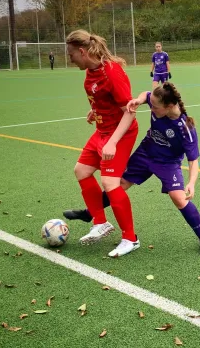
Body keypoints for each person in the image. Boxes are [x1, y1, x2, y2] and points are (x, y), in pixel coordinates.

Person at [64, 82, 200, 255]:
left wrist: (192, 183)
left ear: (170, 106)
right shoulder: (157, 101)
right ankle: (91, 212)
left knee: (178, 198)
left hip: (168, 163)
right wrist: (138, 100)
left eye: (156, 107)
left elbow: (193, 160)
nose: (152, 109)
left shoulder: (185, 128)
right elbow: (146, 95)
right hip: (145, 154)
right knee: (118, 185)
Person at [66, 29, 140, 258]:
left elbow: (129, 112)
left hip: (121, 133)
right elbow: (103, 98)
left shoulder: (111, 73)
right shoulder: (90, 71)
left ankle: (130, 238)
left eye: (71, 54)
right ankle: (100, 222)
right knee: (81, 170)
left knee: (110, 182)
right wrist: (95, 110)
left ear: (82, 51)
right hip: (102, 130)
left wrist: (113, 143)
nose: (69, 59)